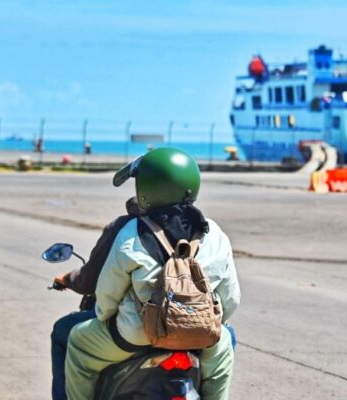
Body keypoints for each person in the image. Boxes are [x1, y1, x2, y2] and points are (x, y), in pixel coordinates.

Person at [64, 148, 240, 400]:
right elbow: (230, 299)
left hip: (136, 335)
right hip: (200, 337)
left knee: (78, 345)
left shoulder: (132, 233)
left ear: (146, 189)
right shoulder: (214, 234)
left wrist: (105, 316)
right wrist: (207, 325)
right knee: (221, 361)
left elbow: (106, 298)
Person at [50, 197, 142, 400]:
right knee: (228, 335)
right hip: (194, 331)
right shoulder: (202, 228)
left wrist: (66, 279)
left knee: (64, 333)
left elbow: (92, 284)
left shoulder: (124, 227)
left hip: (133, 330)